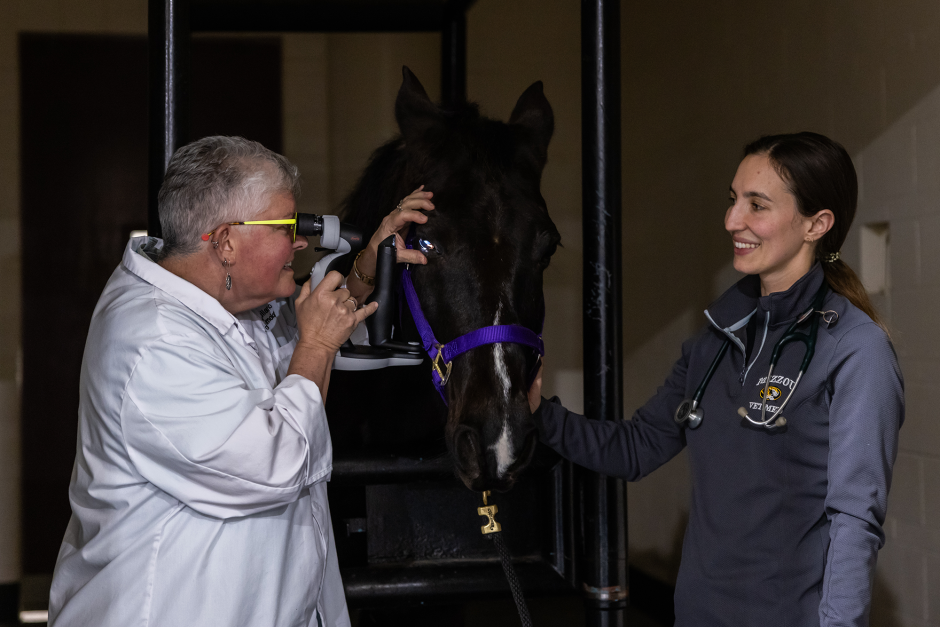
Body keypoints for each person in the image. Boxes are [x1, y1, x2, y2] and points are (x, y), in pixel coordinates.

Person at [48, 136, 434, 627]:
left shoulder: (217, 306)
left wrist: (366, 265)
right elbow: (275, 462)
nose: (299, 241)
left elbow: (290, 339)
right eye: (286, 227)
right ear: (227, 241)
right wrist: (316, 349)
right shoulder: (153, 341)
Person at [527, 132, 903, 627]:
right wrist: (539, 414)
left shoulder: (856, 348)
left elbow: (856, 520)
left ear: (817, 223)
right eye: (733, 201)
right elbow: (637, 448)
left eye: (757, 205)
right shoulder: (716, 337)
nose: (732, 221)